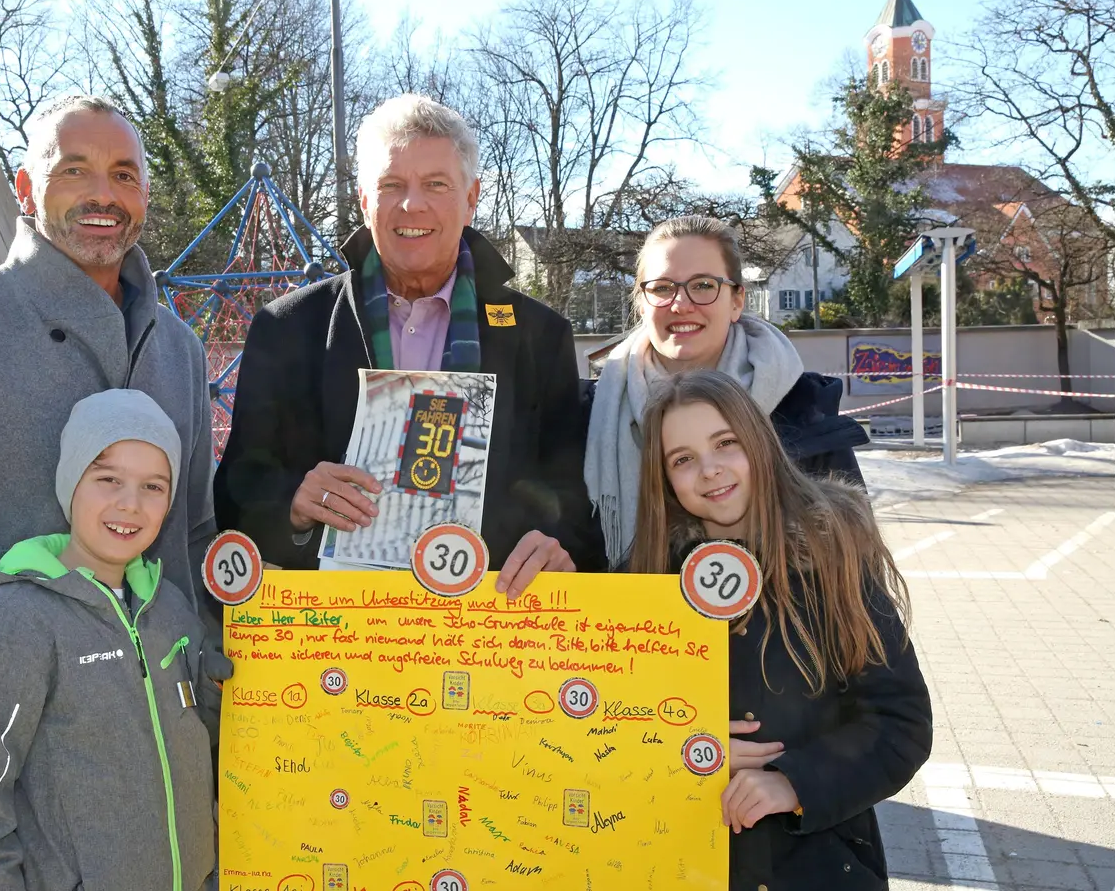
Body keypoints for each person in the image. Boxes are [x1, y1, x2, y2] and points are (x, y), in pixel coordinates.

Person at [0, 95, 225, 813]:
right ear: (26, 189)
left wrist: (206, 681)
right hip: (23, 770)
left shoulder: (179, 349)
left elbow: (194, 531)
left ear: (145, 195)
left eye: (124, 174)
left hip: (175, 756)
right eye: (74, 170)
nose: (103, 194)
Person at [215, 94, 603, 589]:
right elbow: (234, 490)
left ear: (471, 198)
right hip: (335, 632)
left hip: (489, 627)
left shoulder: (540, 336)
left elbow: (570, 494)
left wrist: (557, 545)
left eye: (435, 184)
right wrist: (291, 503)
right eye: (391, 184)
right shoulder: (288, 327)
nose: (411, 203)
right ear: (363, 200)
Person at [627, 369, 930, 891]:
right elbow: (602, 724)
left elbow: (901, 725)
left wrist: (794, 783)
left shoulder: (831, 559)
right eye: (682, 459)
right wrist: (674, 743)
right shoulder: (645, 579)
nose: (710, 470)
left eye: (726, 443)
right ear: (663, 480)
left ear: (760, 441)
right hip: (680, 858)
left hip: (815, 866)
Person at [0, 389, 220, 889]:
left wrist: (215, 693)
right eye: (108, 479)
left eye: (153, 485)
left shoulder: (170, 610)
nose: (130, 504)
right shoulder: (16, 617)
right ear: (70, 484)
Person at [586, 214, 867, 567]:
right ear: (641, 304)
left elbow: (860, 583)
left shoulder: (802, 409)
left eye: (703, 285)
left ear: (736, 301)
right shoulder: (591, 415)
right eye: (661, 288)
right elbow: (571, 544)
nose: (680, 304)